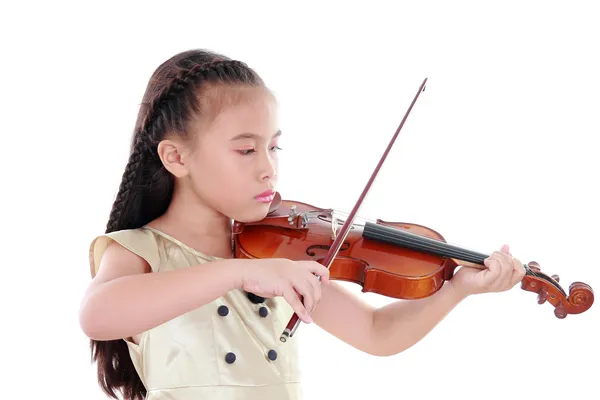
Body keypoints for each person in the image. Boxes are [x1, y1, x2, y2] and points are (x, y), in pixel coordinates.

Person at [79, 49, 526, 400]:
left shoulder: (274, 252)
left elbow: (376, 333)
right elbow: (98, 315)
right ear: (177, 157)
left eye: (274, 147)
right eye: (246, 150)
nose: (269, 169)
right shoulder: (141, 249)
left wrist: (457, 289)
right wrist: (240, 272)